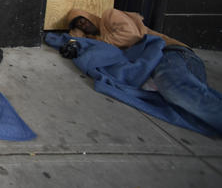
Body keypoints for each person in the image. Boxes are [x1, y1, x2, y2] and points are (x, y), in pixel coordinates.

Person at [64, 8, 222, 135]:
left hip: (168, 52)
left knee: (175, 89)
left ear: (90, 16)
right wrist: (79, 35)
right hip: (151, 65)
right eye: (79, 25)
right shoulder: (96, 38)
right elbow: (74, 41)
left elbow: (130, 35)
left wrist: (95, 40)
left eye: (82, 20)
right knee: (187, 104)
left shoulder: (109, 15)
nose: (83, 25)